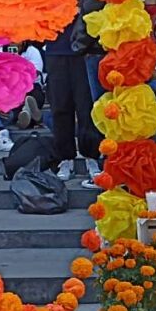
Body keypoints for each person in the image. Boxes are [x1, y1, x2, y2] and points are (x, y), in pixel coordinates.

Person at [46, 10, 101, 188]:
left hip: (83, 48)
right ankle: (65, 158)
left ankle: (91, 156)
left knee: (86, 106)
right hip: (55, 48)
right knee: (60, 106)